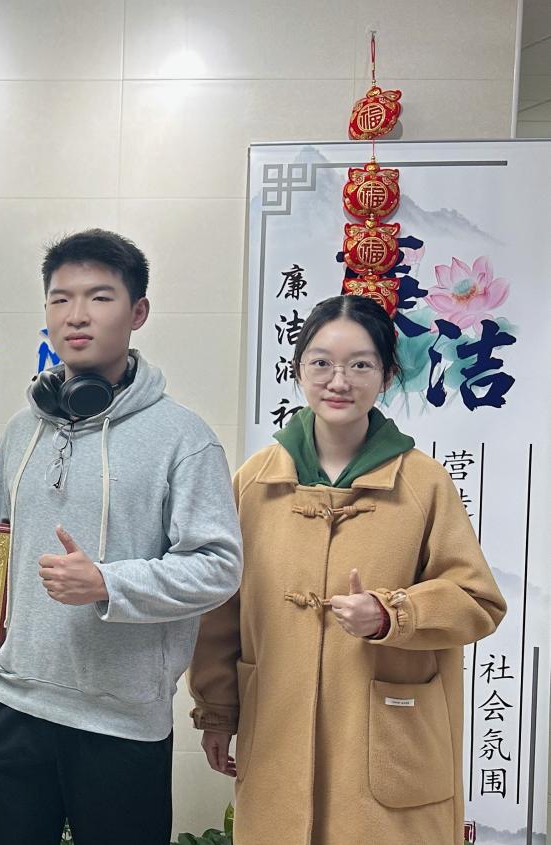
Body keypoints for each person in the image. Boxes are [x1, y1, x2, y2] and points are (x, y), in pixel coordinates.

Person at [189, 292, 506, 843]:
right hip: (276, 725)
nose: (339, 381)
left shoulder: (423, 482)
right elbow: (221, 609)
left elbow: (477, 601)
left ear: (387, 376)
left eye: (361, 365)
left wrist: (392, 614)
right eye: (322, 363)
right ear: (298, 370)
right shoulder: (254, 481)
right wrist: (216, 712)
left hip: (389, 739)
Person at [0, 229, 243, 844]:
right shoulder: (20, 431)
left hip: (122, 722)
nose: (77, 315)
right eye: (60, 299)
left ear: (138, 312)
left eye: (99, 297)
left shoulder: (183, 438)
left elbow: (219, 566)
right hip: (12, 706)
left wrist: (108, 583)